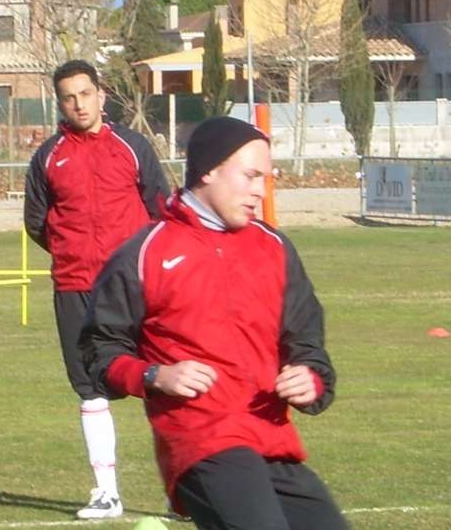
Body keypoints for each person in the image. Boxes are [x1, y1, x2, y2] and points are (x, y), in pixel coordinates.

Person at [82, 116, 350, 529]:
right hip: (200, 443)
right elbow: (99, 350)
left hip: (271, 439)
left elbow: (307, 344)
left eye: (266, 178)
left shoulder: (274, 248)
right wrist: (154, 374)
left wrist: (310, 379)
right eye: (251, 176)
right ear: (209, 169)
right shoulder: (146, 252)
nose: (261, 191)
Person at [24, 59, 169, 519]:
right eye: (68, 97)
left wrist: (134, 264)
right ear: (60, 103)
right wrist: (73, 254)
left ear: (101, 95)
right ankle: (106, 492)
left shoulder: (133, 146)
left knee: (165, 384)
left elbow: (160, 208)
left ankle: (183, 487)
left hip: (135, 289)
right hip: (75, 287)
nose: (78, 103)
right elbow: (37, 223)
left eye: (85, 93)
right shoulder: (47, 157)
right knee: (90, 390)